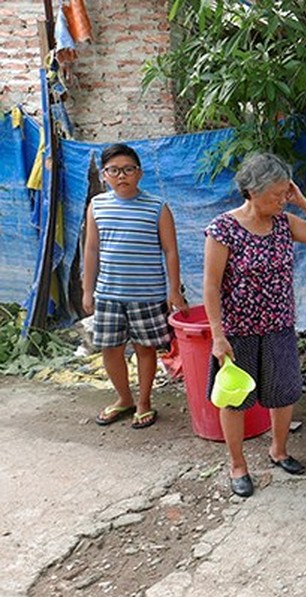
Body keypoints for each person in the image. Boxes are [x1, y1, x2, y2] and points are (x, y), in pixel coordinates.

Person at [204, 152, 306, 498]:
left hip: (278, 324)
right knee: (236, 400)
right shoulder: (224, 229)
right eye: (275, 195)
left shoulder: (284, 223)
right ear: (251, 190)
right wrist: (218, 336)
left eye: (285, 193)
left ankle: (278, 450)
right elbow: (210, 286)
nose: (282, 200)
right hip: (238, 330)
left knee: (284, 392)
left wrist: (301, 200)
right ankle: (238, 465)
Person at [84, 143, 188, 429]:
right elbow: (91, 249)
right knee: (110, 350)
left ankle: (144, 402)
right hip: (108, 294)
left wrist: (174, 290)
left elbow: (171, 251)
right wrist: (87, 290)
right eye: (114, 171)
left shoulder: (157, 207)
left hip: (148, 295)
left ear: (139, 173)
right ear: (104, 175)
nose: (121, 176)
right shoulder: (98, 205)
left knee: (145, 349)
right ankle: (124, 398)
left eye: (128, 169)